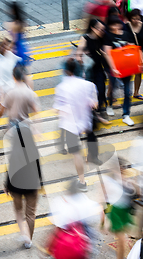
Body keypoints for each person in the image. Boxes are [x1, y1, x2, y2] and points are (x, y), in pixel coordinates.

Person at [4, 67, 41, 250]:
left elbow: (10, 166)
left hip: (17, 183)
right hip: (33, 183)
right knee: (31, 213)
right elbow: (38, 165)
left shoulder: (14, 150)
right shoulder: (33, 149)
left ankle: (24, 235)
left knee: (18, 211)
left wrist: (6, 183)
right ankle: (30, 240)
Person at [54, 58, 99, 192]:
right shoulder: (89, 85)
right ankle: (93, 157)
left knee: (76, 154)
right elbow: (94, 104)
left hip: (70, 125)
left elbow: (58, 109)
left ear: (66, 71)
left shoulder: (61, 87)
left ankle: (82, 181)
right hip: (86, 121)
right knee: (89, 142)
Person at [101, 159, 136, 259]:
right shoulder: (107, 181)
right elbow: (103, 200)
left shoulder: (125, 181)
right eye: (120, 169)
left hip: (124, 212)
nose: (123, 171)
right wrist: (104, 220)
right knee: (122, 241)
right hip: (115, 212)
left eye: (123, 169)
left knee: (128, 236)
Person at [103, 16, 136, 126]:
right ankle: (109, 104)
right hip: (114, 68)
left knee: (127, 91)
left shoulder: (126, 34)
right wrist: (113, 68)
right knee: (112, 87)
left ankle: (126, 115)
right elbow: (108, 53)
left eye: (117, 24)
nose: (115, 27)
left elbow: (133, 49)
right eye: (113, 24)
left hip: (126, 67)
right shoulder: (108, 36)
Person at [0, 38, 21, 140]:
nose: (9, 48)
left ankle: (10, 129)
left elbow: (19, 60)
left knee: (12, 110)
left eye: (9, 46)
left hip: (10, 88)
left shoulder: (10, 56)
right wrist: (1, 95)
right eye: (6, 46)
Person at [76, 19, 108, 115]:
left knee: (101, 89)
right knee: (89, 91)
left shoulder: (101, 38)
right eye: (100, 29)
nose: (102, 31)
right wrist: (81, 59)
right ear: (93, 28)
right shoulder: (85, 38)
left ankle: (99, 108)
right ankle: (90, 110)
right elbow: (78, 54)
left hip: (98, 68)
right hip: (88, 70)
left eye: (103, 29)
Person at [124, 9, 143, 100]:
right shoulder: (126, 26)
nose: (136, 20)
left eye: (138, 18)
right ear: (130, 18)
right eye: (134, 19)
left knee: (138, 72)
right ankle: (127, 90)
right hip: (129, 52)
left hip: (141, 51)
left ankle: (136, 92)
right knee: (128, 73)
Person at [5, 2, 31, 68]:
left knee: (17, 70)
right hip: (23, 47)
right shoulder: (21, 22)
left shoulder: (15, 24)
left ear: (13, 10)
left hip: (17, 50)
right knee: (22, 70)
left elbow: (14, 40)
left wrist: (8, 48)